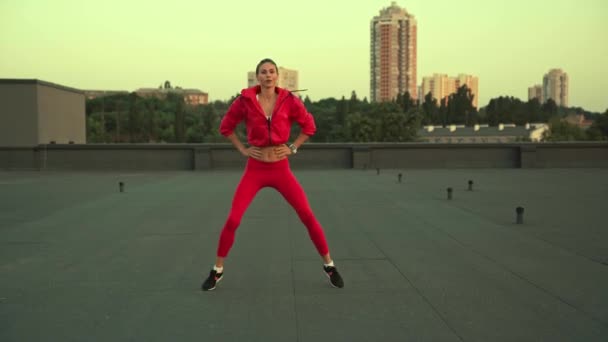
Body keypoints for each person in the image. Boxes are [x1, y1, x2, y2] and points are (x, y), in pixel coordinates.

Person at [201, 58, 344, 291]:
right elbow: (226, 127)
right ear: (257, 77)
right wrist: (242, 149)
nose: (268, 75)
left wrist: (293, 147)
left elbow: (309, 126)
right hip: (255, 169)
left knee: (307, 215)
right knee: (233, 219)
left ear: (277, 76)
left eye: (271, 72)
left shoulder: (289, 100)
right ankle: (217, 270)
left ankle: (329, 265)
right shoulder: (245, 101)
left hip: (281, 169)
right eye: (263, 72)